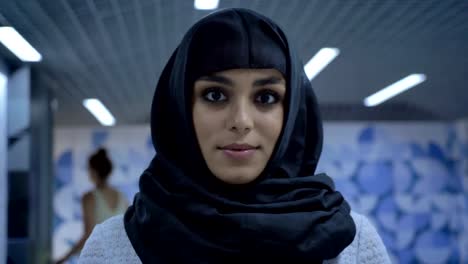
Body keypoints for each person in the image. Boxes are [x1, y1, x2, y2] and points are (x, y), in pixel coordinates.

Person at [79, 8, 391, 263]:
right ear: (180, 110)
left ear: (293, 112)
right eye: (215, 95)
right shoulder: (112, 248)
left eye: (266, 97)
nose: (241, 122)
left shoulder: (353, 246)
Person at [56, 148, 128, 264]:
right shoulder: (122, 197)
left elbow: (88, 234)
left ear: (93, 171)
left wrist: (65, 257)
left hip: (99, 257)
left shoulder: (89, 198)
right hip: (118, 257)